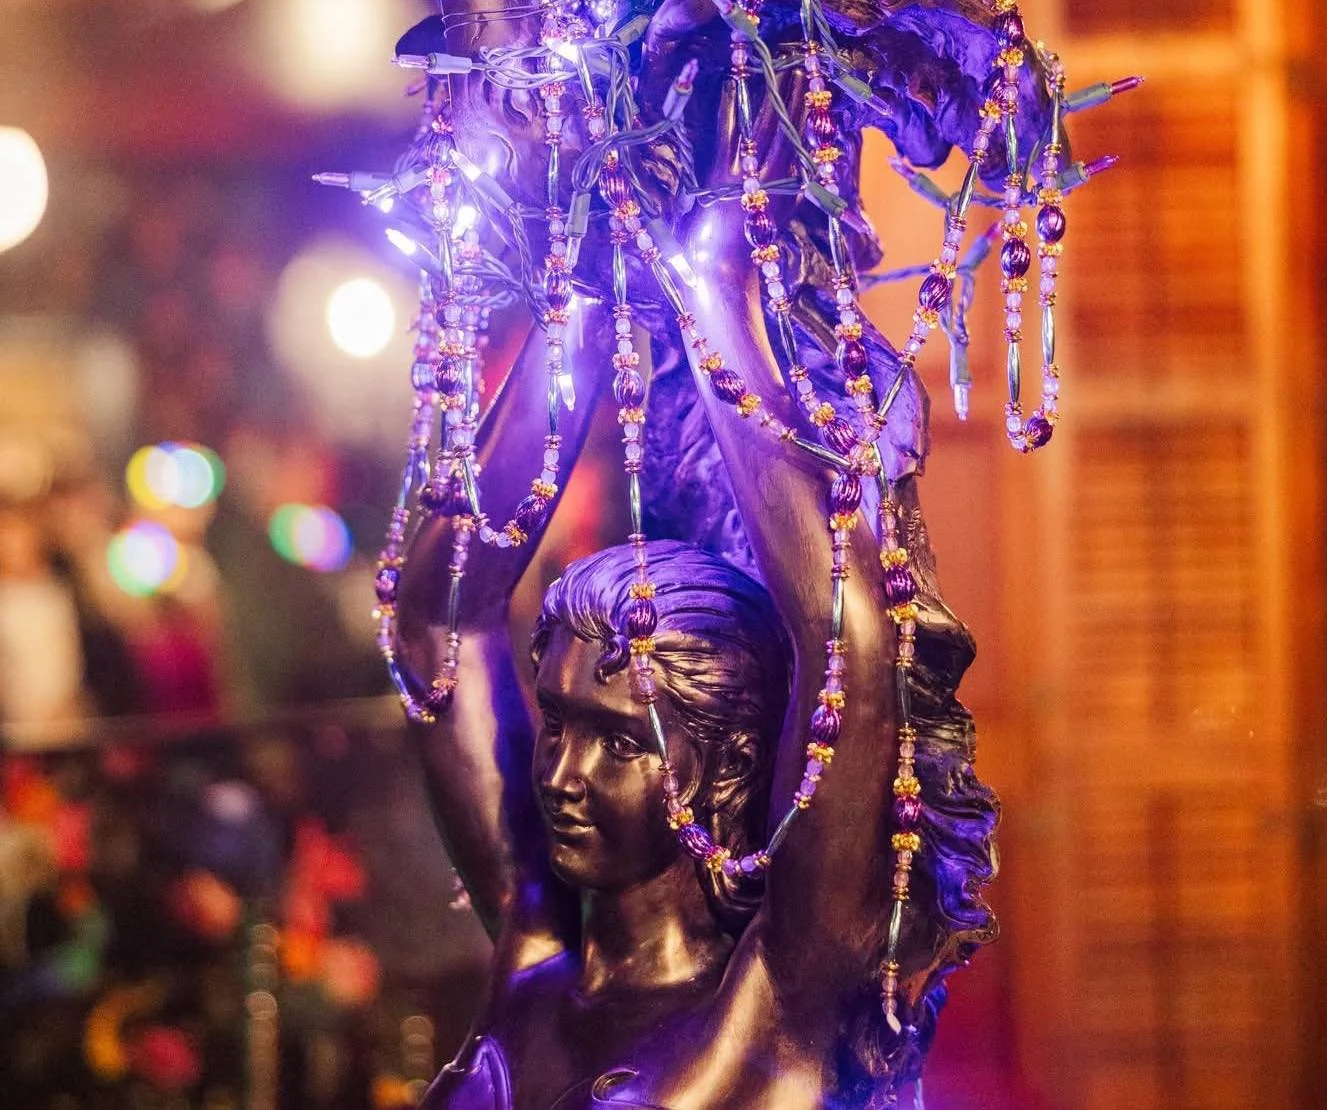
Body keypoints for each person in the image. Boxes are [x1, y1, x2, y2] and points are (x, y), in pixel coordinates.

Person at [395, 212, 998, 1110]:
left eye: (620, 742)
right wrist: (585, 308)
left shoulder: (779, 990)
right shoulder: (534, 951)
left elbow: (852, 645)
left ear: (731, 762)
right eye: (555, 724)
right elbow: (434, 623)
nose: (560, 776)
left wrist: (714, 283)